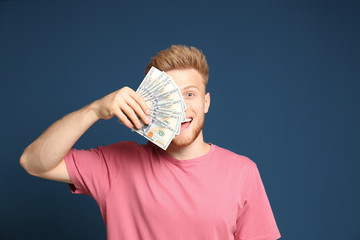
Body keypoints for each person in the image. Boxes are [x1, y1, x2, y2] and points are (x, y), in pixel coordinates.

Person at [20, 45, 281, 240]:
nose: (180, 109)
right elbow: (33, 163)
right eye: (170, 97)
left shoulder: (243, 173)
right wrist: (95, 110)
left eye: (189, 94)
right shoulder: (117, 164)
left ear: (206, 102)